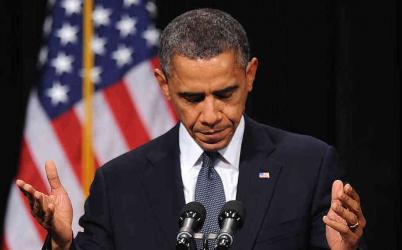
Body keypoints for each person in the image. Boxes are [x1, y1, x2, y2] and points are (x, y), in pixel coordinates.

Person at [16, 8, 366, 250]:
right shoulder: (119, 183)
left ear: (250, 75)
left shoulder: (308, 166)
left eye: (225, 93)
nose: (211, 114)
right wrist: (62, 244)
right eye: (192, 98)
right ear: (164, 85)